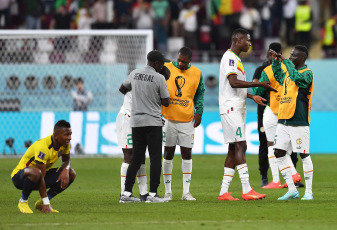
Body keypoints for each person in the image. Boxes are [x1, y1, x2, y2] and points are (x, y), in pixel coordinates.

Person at [218, 28, 276, 201]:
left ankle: (223, 192)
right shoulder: (229, 57)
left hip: (237, 106)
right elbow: (234, 82)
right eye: (247, 40)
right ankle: (246, 189)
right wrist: (261, 86)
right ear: (237, 39)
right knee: (241, 145)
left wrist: (252, 96)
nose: (249, 43)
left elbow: (234, 86)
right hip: (231, 108)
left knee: (232, 149)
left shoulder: (235, 58)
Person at [119, 50, 170, 203]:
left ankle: (126, 194)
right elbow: (166, 102)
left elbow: (122, 88)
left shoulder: (135, 73)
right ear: (155, 63)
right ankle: (153, 194)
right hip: (152, 122)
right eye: (161, 63)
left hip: (136, 122)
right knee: (155, 158)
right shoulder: (159, 77)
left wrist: (138, 95)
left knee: (136, 158)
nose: (162, 66)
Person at [253, 42, 302, 189]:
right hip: (289, 110)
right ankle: (291, 176)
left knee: (270, 145)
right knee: (287, 146)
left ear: (270, 53)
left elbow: (258, 92)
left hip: (272, 110)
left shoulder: (266, 70)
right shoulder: (291, 69)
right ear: (282, 52)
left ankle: (277, 179)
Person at [269, 45, 314, 200]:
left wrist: (285, 62)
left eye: (294, 55)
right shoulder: (288, 74)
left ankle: (308, 192)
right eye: (290, 54)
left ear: (302, 58)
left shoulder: (307, 74)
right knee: (278, 152)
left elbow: (297, 78)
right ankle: (292, 189)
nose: (290, 57)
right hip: (283, 120)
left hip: (299, 120)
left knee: (303, 155)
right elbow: (278, 76)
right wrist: (275, 61)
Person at [161, 47, 205, 201]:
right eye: (179, 60)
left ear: (190, 61)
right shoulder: (166, 68)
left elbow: (200, 93)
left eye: (184, 62)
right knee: (168, 154)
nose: (180, 63)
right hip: (168, 118)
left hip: (187, 120)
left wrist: (199, 111)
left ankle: (186, 192)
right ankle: (168, 191)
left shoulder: (197, 73)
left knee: (187, 154)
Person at [11, 120, 76, 213]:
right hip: (21, 177)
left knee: (71, 173)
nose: (70, 138)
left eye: (70, 134)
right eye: (66, 135)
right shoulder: (43, 147)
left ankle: (42, 202)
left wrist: (65, 169)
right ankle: (23, 202)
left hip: (41, 174)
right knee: (36, 172)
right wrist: (47, 204)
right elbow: (40, 175)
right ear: (56, 135)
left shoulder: (65, 144)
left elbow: (66, 160)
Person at [116, 91, 148, 201]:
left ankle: (144, 193)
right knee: (129, 155)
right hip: (127, 118)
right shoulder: (134, 80)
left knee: (141, 155)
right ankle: (124, 194)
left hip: (140, 120)